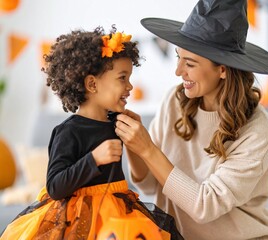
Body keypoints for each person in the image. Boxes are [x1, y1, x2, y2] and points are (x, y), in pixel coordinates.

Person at [115, 0, 268, 239]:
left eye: (190, 63)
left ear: (223, 69)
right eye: (178, 57)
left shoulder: (258, 129)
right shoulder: (175, 101)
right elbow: (152, 186)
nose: (178, 71)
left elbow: (205, 206)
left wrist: (148, 148)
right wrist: (135, 146)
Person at [0, 26, 181, 240]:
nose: (130, 86)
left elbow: (141, 175)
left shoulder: (118, 123)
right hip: (78, 220)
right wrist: (94, 159)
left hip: (119, 211)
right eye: (122, 78)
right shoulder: (68, 131)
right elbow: (55, 186)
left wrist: (137, 142)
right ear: (92, 84)